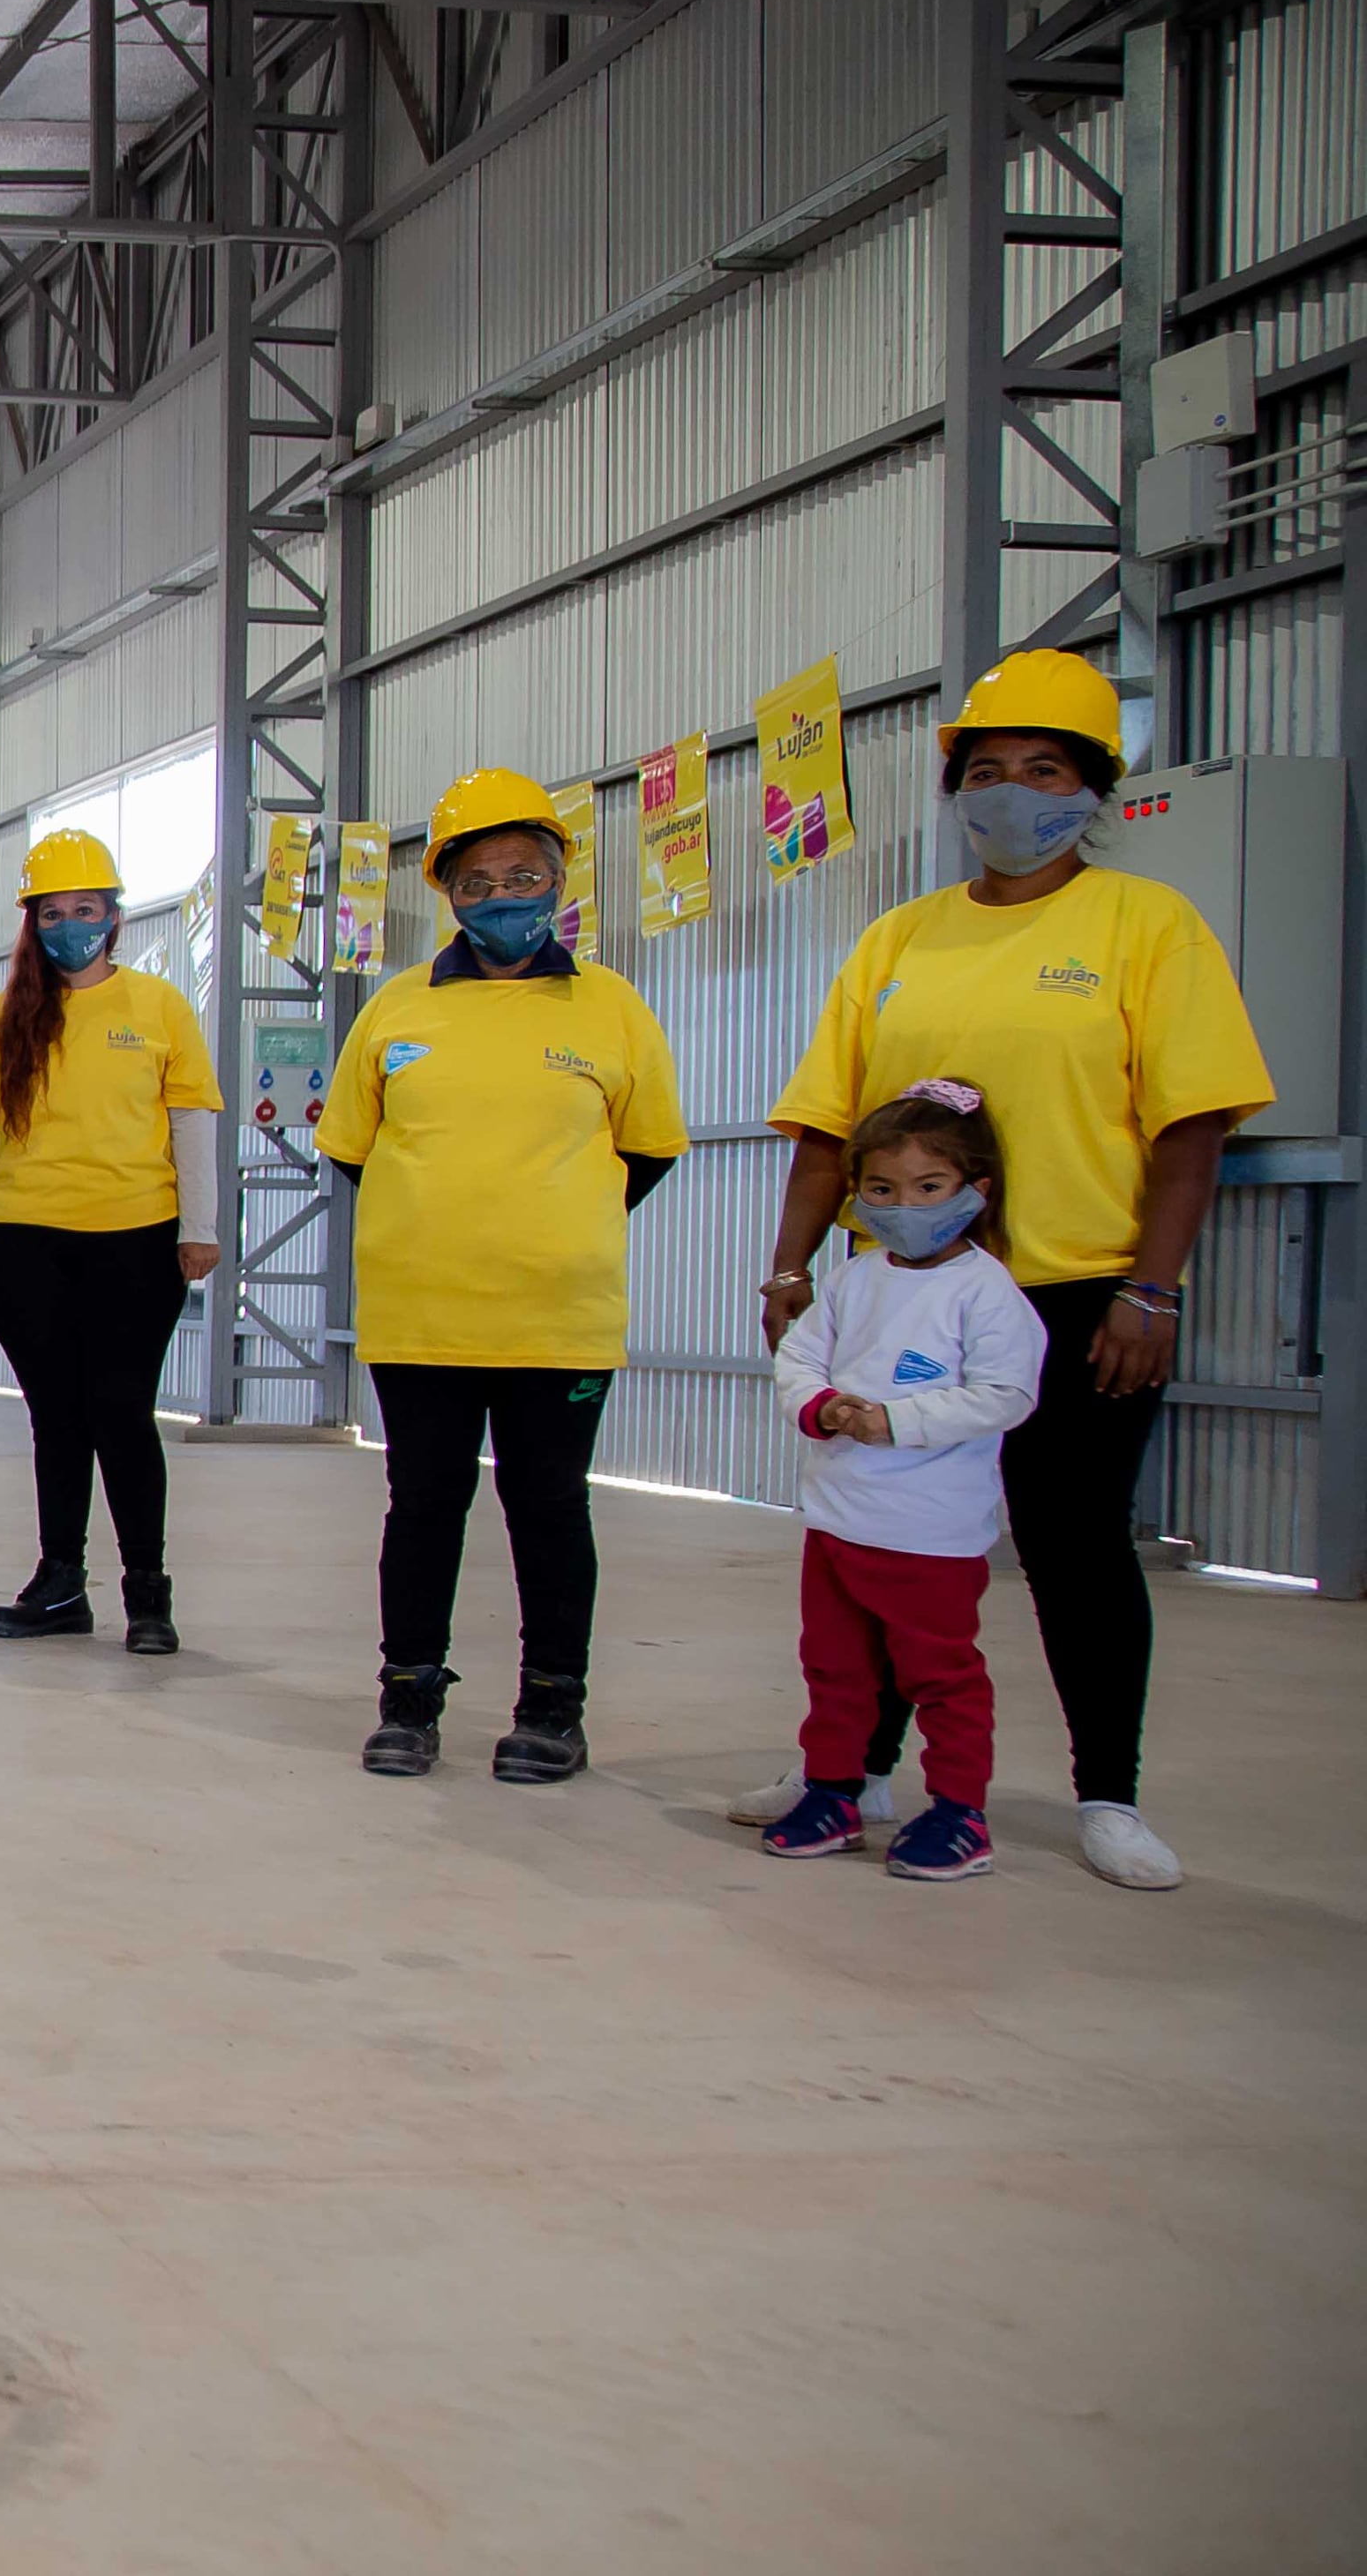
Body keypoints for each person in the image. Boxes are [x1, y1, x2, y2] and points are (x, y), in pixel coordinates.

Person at [744, 648, 1271, 1888]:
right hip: (899, 1288)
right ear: (956, 792)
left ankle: (1108, 1795)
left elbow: (1189, 1126)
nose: (1012, 792)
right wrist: (788, 1272)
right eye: (988, 771)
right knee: (879, 1538)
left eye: (1044, 769)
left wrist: (1153, 1289)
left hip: (1075, 1290)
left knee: (1075, 1541)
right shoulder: (898, 941)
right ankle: (856, 1769)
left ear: (1092, 790)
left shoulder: (1146, 925)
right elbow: (830, 1129)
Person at [319, 768, 687, 1780]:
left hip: (555, 1313)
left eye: (523, 873)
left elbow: (646, 1149)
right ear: (444, 892)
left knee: (549, 1508)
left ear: (560, 879)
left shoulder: (609, 1009)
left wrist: (550, 1223)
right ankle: (407, 1698)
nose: (501, 896)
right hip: (420, 1312)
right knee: (422, 1505)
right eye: (476, 880)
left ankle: (550, 1710)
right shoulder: (395, 1009)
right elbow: (352, 1148)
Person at [0, 827, 222, 1655]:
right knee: (56, 1415)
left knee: (122, 1412)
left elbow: (193, 1118)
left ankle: (148, 1591)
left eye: (86, 909)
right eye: (53, 912)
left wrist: (200, 1228)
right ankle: (60, 1579)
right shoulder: (2, 1016)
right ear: (33, 922)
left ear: (114, 917)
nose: (71, 925)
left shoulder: (159, 1006)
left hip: (136, 1238)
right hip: (21, 1239)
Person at [758, 1081, 1047, 1880]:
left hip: (929, 1534)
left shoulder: (987, 1292)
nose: (902, 1205)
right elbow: (801, 1355)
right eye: (881, 1189)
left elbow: (1006, 1394)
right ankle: (833, 1793)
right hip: (839, 1521)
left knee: (942, 1676)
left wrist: (897, 1420)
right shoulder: (855, 1279)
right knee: (835, 1668)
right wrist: (819, 1405)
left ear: (974, 1190)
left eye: (929, 1188)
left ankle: (960, 1811)